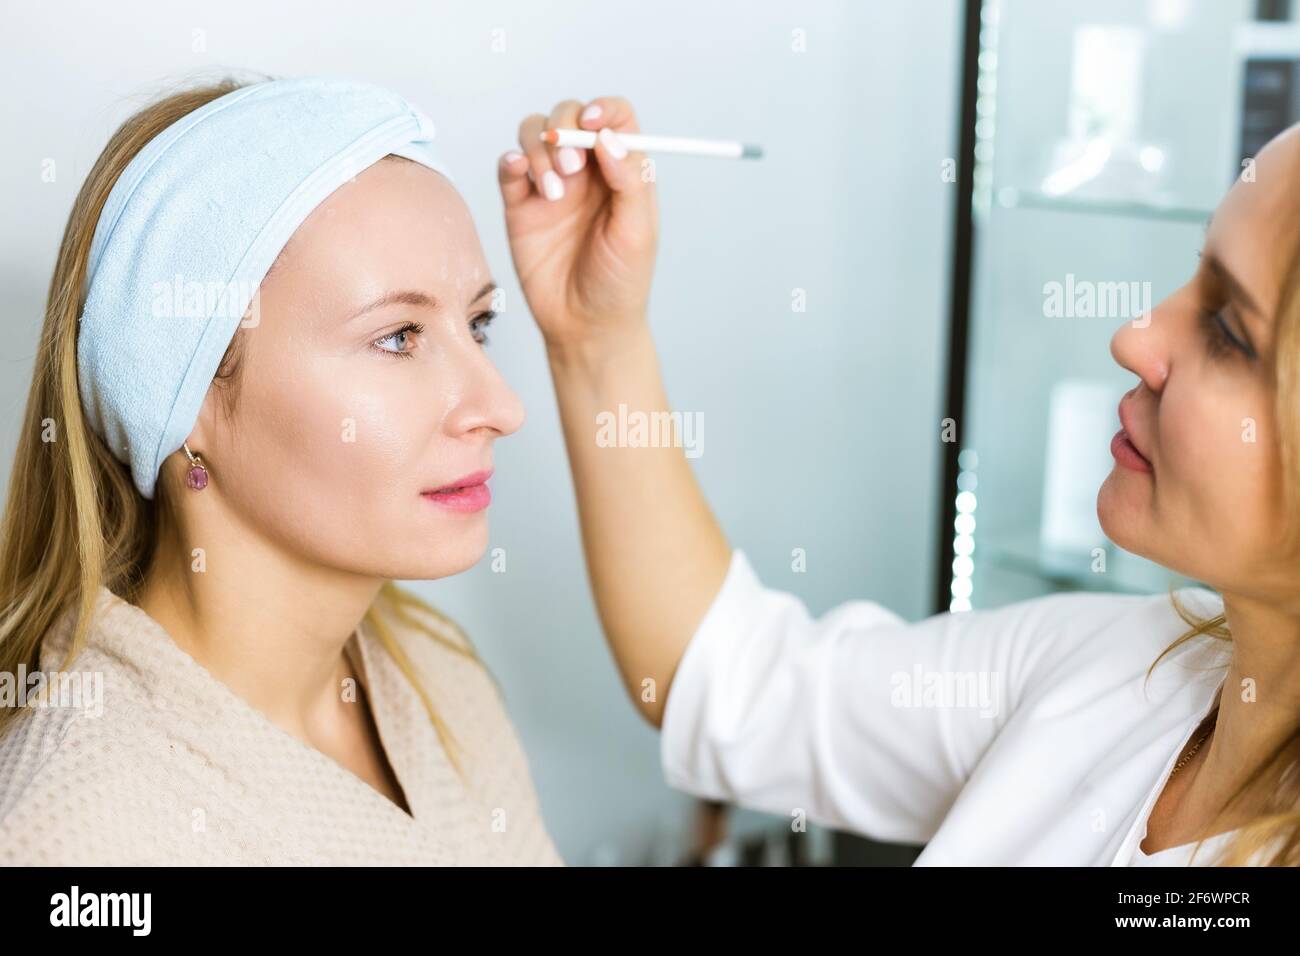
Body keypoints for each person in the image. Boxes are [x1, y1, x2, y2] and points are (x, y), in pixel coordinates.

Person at [501, 96, 1300, 865]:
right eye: (1195, 276)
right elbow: (734, 687)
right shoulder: (1120, 668)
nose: (1136, 335)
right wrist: (595, 338)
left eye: (1228, 331)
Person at [0, 75, 561, 865]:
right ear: (185, 396)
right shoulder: (77, 838)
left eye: (478, 325)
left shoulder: (437, 681)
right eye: (398, 337)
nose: (499, 407)